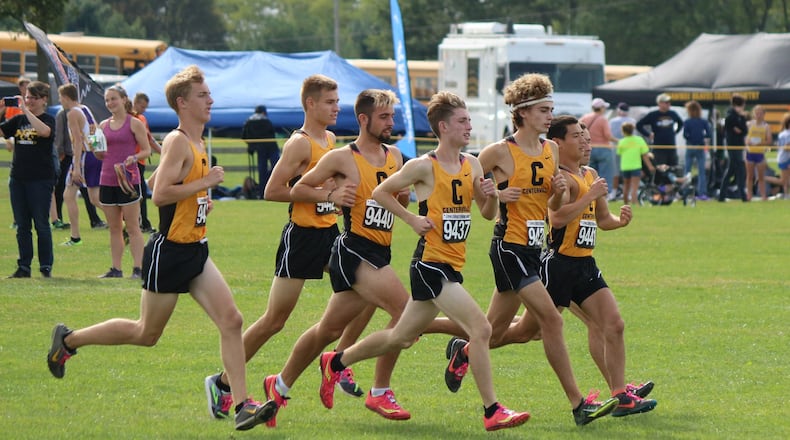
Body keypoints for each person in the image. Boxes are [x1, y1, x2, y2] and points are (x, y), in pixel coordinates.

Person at [46, 65, 277, 431]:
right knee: (146, 334)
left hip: (196, 249)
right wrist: (204, 183)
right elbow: (160, 194)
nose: (211, 100)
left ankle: (240, 404)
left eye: (209, 94)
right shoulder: (179, 140)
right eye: (203, 95)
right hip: (169, 253)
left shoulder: (196, 142)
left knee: (232, 321)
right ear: (182, 103)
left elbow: (157, 179)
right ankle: (69, 340)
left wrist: (198, 198)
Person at [318, 91, 530, 432]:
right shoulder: (422, 166)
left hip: (452, 264)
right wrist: (411, 219)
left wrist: (491, 197)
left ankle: (336, 361)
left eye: (469, 120)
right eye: (462, 121)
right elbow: (379, 193)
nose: (469, 126)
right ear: (443, 127)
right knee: (481, 328)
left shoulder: (473, 164)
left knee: (401, 337)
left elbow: (486, 213)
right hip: (431, 265)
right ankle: (492, 409)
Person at [427, 73, 618, 426]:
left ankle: (449, 344)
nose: (550, 116)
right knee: (551, 320)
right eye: (544, 110)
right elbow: (467, 189)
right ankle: (578, 404)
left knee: (493, 329)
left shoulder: (551, 150)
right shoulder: (499, 151)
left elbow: (553, 205)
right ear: (523, 113)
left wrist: (558, 191)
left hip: (534, 248)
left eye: (551, 109)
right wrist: (496, 194)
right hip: (509, 247)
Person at [204, 75, 372, 419]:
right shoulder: (300, 144)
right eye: (330, 102)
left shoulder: (331, 139)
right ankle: (221, 383)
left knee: (370, 291)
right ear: (310, 103)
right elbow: (272, 190)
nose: (337, 107)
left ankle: (339, 361)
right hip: (301, 239)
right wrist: (327, 195)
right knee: (274, 321)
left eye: (337, 101)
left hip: (330, 234)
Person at [261, 89, 412, 427]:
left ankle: (279, 385)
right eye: (384, 117)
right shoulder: (342, 157)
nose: (391, 123)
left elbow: (394, 202)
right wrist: (331, 195)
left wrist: (402, 197)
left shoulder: (395, 157)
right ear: (364, 119)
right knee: (406, 315)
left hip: (380, 249)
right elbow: (298, 188)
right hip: (355, 250)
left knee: (327, 329)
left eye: (392, 116)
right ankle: (378, 389)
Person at [543, 116, 657, 418]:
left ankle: (620, 395)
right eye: (578, 137)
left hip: (585, 264)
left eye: (587, 137)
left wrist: (620, 221)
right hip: (558, 265)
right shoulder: (561, 178)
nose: (586, 142)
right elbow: (557, 219)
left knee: (613, 324)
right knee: (525, 332)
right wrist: (590, 196)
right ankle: (469, 345)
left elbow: (602, 219)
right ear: (558, 143)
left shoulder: (590, 174)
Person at [1, 81, 57, 278]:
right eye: (27, 97)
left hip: (40, 179)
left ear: (44, 99)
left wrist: (25, 110)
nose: (29, 101)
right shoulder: (18, 120)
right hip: (18, 178)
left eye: (33, 97)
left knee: (41, 224)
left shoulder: (49, 119)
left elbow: (44, 132)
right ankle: (24, 266)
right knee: (22, 226)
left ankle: (45, 266)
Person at [96, 85, 150, 278]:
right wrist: (94, 147)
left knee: (133, 227)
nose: (110, 103)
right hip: (107, 180)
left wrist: (134, 158)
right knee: (114, 228)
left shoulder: (134, 123)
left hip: (128, 181)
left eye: (114, 98)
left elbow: (146, 150)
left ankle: (138, 268)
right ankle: (116, 269)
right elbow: (100, 155)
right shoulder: (103, 126)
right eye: (107, 100)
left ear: (124, 100)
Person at [57, 84, 107, 247]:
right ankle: (122, 222)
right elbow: (95, 130)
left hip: (84, 156)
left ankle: (75, 237)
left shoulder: (72, 113)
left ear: (66, 97)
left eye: (60, 97)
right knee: (94, 198)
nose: (60, 101)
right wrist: (97, 152)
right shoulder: (85, 108)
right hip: (93, 155)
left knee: (69, 196)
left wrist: (77, 166)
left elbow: (78, 141)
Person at [131, 92, 161, 232]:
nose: (144, 110)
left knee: (140, 193)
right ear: (135, 103)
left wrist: (162, 151)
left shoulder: (142, 119)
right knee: (137, 194)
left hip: (140, 161)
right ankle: (142, 223)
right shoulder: (130, 119)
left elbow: (149, 139)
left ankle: (142, 223)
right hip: (132, 161)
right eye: (142, 106)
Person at [580, 98, 617, 199]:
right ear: (601, 108)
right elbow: (608, 135)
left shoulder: (585, 117)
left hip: (589, 148)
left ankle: (591, 192)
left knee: (590, 174)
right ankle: (605, 195)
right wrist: (618, 140)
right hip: (603, 148)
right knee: (605, 173)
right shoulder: (603, 119)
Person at [636, 93, 683, 167]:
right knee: (660, 168)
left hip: (671, 146)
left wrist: (675, 132)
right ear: (660, 103)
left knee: (673, 167)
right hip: (658, 147)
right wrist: (648, 134)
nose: (668, 104)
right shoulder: (653, 115)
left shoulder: (673, 114)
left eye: (669, 102)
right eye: (666, 102)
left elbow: (681, 123)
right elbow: (639, 125)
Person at [242, 104, 279, 195]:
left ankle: (263, 192)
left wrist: (251, 146)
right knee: (276, 168)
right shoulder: (266, 121)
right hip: (271, 147)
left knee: (262, 171)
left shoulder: (248, 122)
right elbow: (272, 133)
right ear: (264, 112)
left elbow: (244, 136)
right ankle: (274, 187)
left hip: (260, 149)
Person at [718, 94, 748, 202]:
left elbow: (744, 130)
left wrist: (739, 129)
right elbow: (731, 129)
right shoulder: (730, 116)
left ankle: (722, 196)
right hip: (733, 146)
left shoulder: (741, 117)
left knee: (731, 170)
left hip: (739, 146)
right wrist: (738, 129)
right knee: (739, 169)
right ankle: (742, 196)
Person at [617, 122, 654, 205]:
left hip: (625, 166)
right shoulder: (639, 140)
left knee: (626, 185)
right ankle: (634, 202)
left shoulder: (621, 141)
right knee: (635, 186)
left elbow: (619, 153)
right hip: (636, 166)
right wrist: (650, 166)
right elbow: (644, 155)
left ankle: (625, 203)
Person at [682, 100, 712, 200]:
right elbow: (708, 134)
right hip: (700, 147)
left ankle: (685, 192)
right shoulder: (703, 121)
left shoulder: (687, 122)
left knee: (687, 170)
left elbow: (685, 135)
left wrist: (692, 141)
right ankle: (702, 193)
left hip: (690, 147)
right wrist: (701, 140)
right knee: (701, 171)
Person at [744, 105, 772, 201]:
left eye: (760, 113)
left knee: (760, 176)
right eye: (757, 113)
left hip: (760, 153)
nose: (758, 115)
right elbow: (745, 138)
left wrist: (759, 143)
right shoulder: (749, 124)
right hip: (750, 153)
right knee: (750, 176)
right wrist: (748, 142)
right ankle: (749, 195)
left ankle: (763, 196)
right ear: (754, 114)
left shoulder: (766, 126)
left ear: (764, 114)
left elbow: (769, 141)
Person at [609, 102, 635, 200]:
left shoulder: (612, 121)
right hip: (629, 150)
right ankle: (628, 193)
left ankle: (614, 192)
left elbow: (609, 135)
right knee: (628, 172)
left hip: (615, 148)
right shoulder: (632, 121)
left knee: (615, 172)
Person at [776, 113, 790, 199]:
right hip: (786, 158)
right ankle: (763, 178)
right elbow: (786, 147)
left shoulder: (782, 133)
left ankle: (786, 194)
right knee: (784, 180)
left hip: (782, 158)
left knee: (785, 179)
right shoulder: (788, 134)